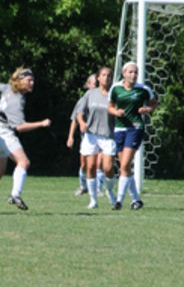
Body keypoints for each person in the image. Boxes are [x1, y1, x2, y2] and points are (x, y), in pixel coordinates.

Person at [0, 67, 51, 211]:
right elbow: (20, 127)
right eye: (29, 80)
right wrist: (41, 123)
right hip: (2, 131)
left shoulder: (7, 87)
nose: (32, 83)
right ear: (20, 80)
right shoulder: (18, 99)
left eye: (33, 80)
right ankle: (15, 195)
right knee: (24, 162)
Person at [108, 61, 157, 210]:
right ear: (124, 73)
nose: (133, 75)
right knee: (125, 167)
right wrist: (117, 112)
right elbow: (110, 107)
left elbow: (154, 103)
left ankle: (119, 201)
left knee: (124, 165)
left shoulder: (143, 89)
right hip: (119, 128)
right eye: (130, 72)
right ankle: (136, 200)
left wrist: (147, 109)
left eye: (136, 72)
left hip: (135, 128)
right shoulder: (116, 88)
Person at [77, 67, 117, 209]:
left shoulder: (114, 95)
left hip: (107, 135)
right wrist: (82, 123)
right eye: (103, 75)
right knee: (91, 166)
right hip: (91, 134)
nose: (106, 77)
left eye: (109, 75)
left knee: (108, 168)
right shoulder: (90, 94)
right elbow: (80, 113)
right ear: (98, 78)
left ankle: (110, 191)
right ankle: (93, 200)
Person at [66, 74, 96, 196]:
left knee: (99, 162)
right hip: (87, 136)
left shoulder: (106, 98)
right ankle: (83, 186)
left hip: (102, 135)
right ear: (88, 85)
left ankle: (98, 189)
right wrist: (70, 136)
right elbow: (75, 119)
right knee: (84, 163)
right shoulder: (83, 101)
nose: (96, 87)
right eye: (94, 84)